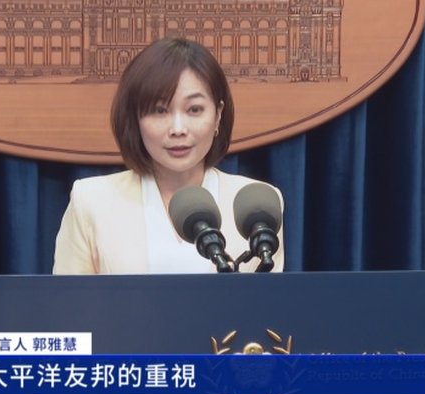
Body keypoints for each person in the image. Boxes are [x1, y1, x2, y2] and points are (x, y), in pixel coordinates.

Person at [52, 37, 284, 274]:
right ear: (135, 119)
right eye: (160, 111)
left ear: (218, 115)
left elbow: (270, 296)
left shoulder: (257, 206)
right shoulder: (91, 200)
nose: (178, 129)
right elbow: (69, 296)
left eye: (194, 110)